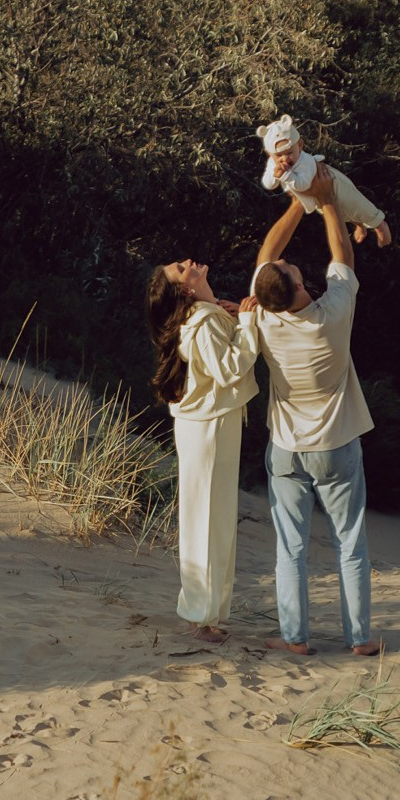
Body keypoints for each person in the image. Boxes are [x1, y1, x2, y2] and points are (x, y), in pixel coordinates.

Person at [243, 196, 377, 657]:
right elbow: (343, 256)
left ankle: (294, 637)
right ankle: (359, 639)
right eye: (290, 267)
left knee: (291, 546)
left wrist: (299, 204)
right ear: (299, 284)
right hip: (337, 446)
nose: (287, 262)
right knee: (350, 544)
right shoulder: (332, 315)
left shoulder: (262, 315)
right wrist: (327, 203)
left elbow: (267, 255)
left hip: (285, 448)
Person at [146, 258, 257, 644]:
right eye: (181, 268)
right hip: (207, 427)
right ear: (186, 290)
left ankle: (208, 614)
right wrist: (246, 324)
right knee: (206, 517)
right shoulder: (203, 321)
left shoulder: (207, 316)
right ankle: (200, 616)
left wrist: (232, 315)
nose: (187, 263)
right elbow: (230, 369)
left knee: (215, 517)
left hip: (212, 424)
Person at [257, 116, 393, 248]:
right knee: (341, 213)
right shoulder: (273, 163)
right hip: (316, 196)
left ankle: (380, 224)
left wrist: (286, 175)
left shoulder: (305, 161)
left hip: (333, 184)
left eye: (289, 153)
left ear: (300, 145)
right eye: (279, 155)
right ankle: (360, 225)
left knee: (355, 204)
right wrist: (275, 175)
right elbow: (268, 184)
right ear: (269, 154)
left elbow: (302, 184)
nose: (285, 159)